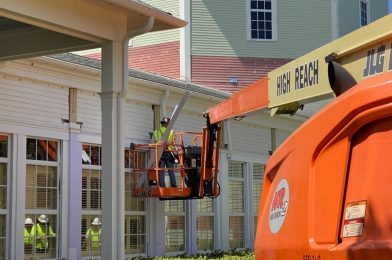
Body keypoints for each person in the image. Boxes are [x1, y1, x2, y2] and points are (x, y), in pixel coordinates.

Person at [153, 117, 177, 188]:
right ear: (168, 124)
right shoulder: (171, 132)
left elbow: (155, 142)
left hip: (160, 153)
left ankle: (162, 185)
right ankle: (173, 185)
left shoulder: (156, 132)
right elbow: (173, 143)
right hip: (169, 153)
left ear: (162, 124)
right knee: (171, 171)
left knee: (161, 171)